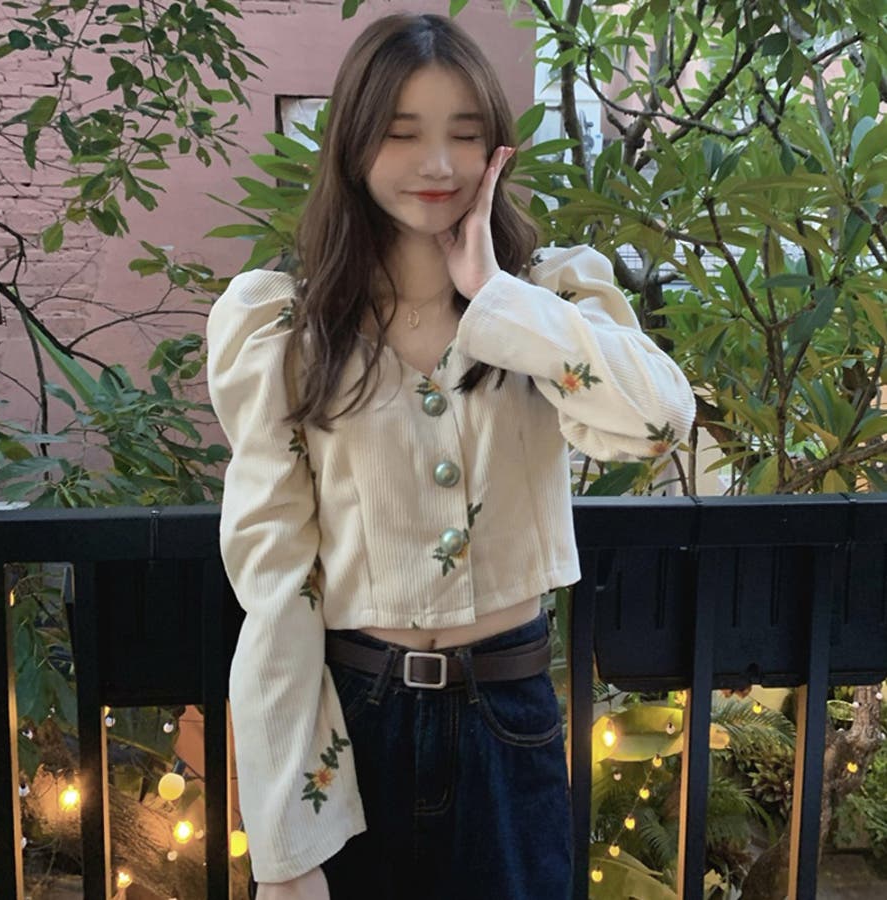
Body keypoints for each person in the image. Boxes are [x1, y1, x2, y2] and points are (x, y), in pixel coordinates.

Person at [206, 12, 695, 900]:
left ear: (496, 148)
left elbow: (660, 421)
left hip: (509, 717)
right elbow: (275, 579)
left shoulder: (549, 296)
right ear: (354, 143)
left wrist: (496, 297)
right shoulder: (288, 328)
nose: (436, 164)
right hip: (354, 721)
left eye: (464, 135)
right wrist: (285, 845)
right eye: (402, 133)